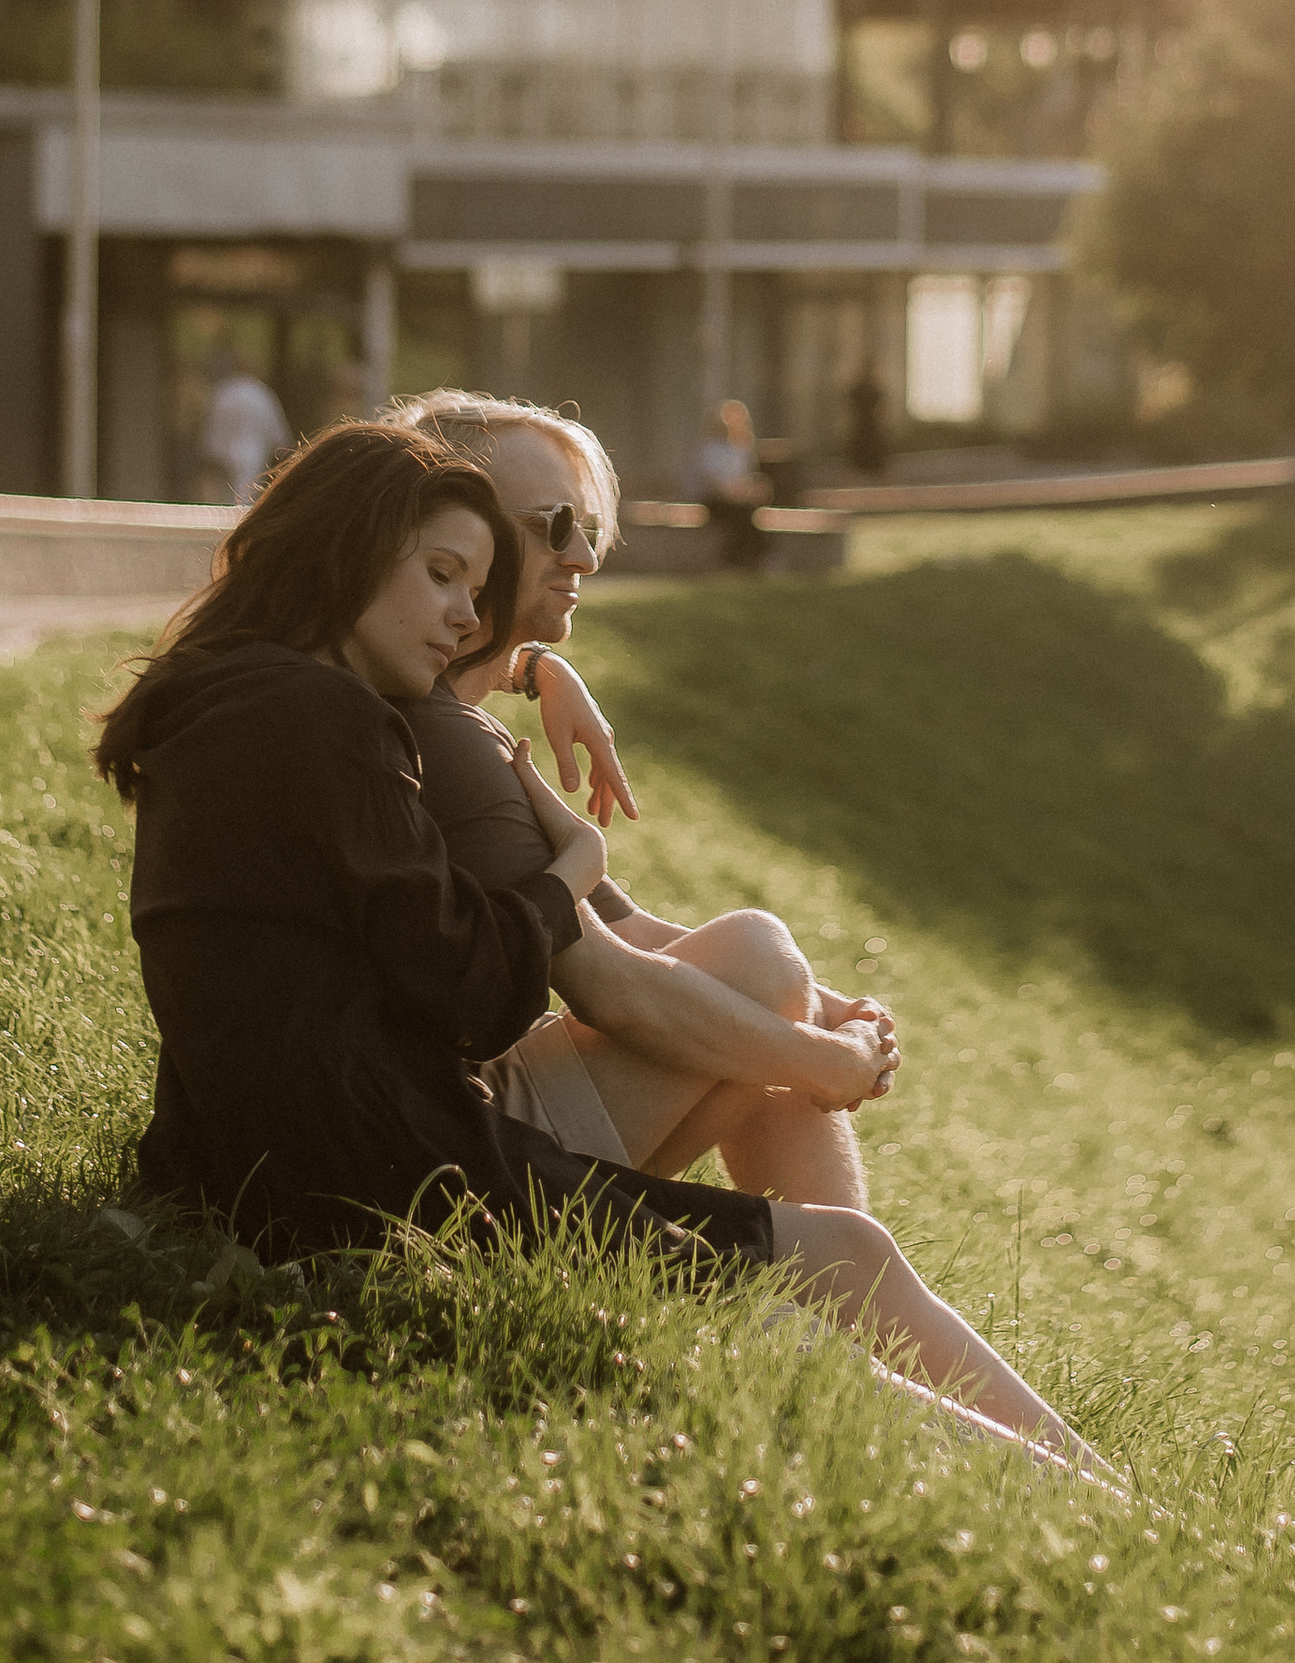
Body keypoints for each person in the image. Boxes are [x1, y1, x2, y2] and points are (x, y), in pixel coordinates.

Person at [96, 419, 1110, 1472]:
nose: (466, 614)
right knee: (817, 1289)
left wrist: (531, 676)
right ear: (346, 549)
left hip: (315, 1171)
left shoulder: (232, 699)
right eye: (445, 576)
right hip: (390, 1201)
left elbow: (439, 963)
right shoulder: (331, 722)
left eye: (478, 586)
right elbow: (486, 992)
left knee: (836, 1258)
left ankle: (1099, 1504)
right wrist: (570, 861)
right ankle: (1102, 1519)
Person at [394, 389, 887, 1212]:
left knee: (764, 989)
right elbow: (614, 983)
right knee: (758, 967)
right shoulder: (442, 735)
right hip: (449, 1157)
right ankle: (829, 1311)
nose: (582, 558)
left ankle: (830, 1317)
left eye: (591, 532)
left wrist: (828, 1010)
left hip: (450, 1127)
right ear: (456, 526)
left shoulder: (461, 717)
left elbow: (628, 930)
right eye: (556, 525)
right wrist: (820, 1055)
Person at [198, 352, 291, 504]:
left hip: (225, 453)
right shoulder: (261, 393)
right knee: (247, 494)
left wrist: (210, 451)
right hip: (253, 453)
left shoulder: (225, 391)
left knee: (227, 494)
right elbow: (276, 429)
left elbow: (214, 426)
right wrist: (283, 449)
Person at [693, 395, 770, 570]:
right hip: (714, 500)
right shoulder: (710, 449)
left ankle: (742, 557)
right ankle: (745, 557)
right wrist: (734, 493)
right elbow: (712, 484)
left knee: (746, 513)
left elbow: (745, 478)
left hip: (738, 500)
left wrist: (753, 489)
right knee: (741, 515)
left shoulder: (741, 449)